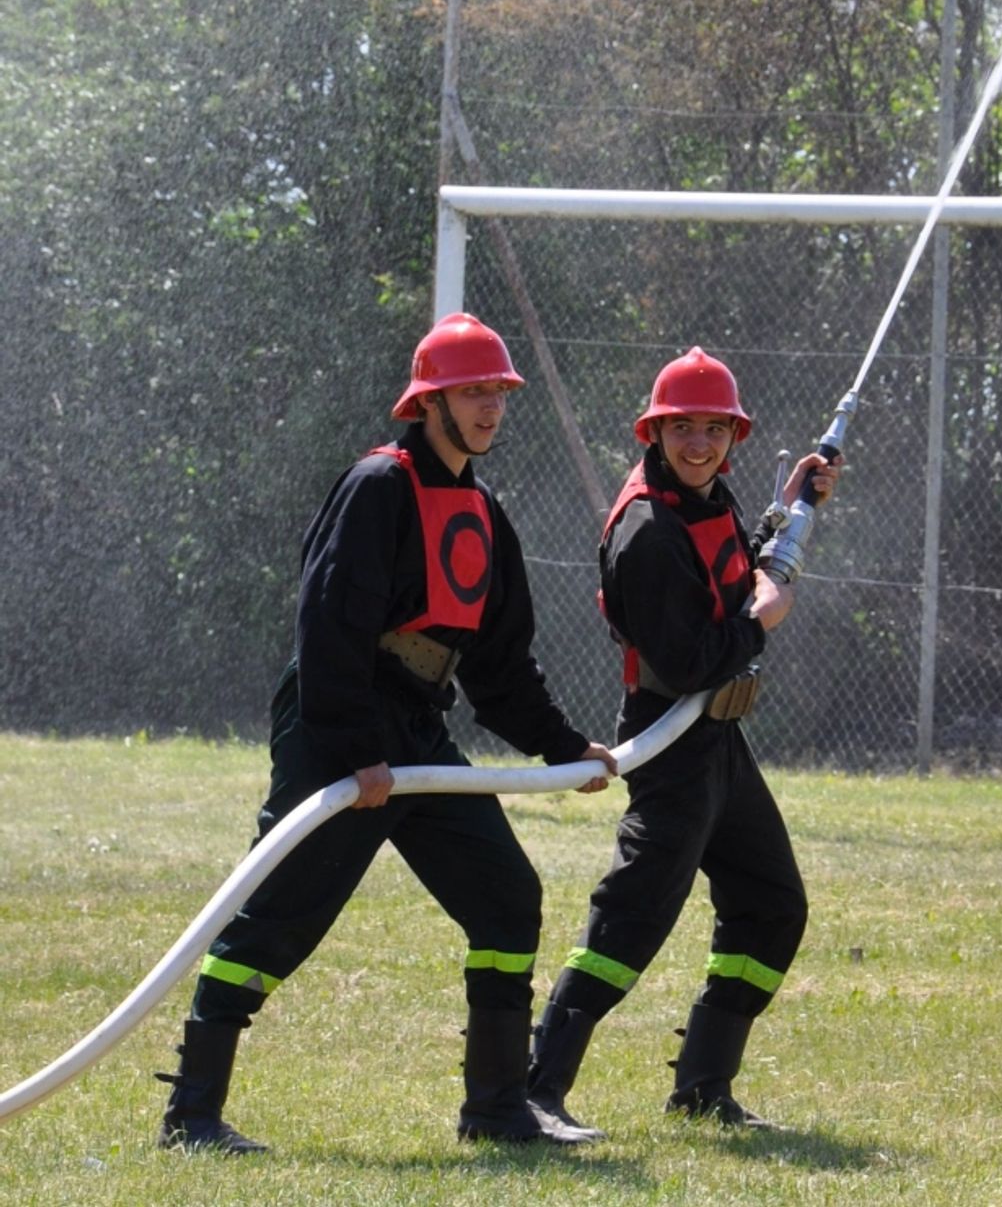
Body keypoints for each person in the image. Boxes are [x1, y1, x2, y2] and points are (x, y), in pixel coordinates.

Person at [157, 313, 617, 1154]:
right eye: (472, 392)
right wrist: (353, 752)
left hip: (415, 736)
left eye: (498, 394)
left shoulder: (484, 510)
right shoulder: (379, 485)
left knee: (507, 899)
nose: (489, 409)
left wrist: (564, 748)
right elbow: (328, 625)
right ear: (429, 401)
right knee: (278, 918)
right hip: (339, 727)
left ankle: (497, 1108)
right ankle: (190, 1114)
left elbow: (501, 667)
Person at [527, 346, 840, 1139]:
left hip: (718, 740)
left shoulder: (703, 496)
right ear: (655, 431)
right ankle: (535, 1087)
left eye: (714, 428)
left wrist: (795, 508)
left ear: (733, 434)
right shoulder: (647, 527)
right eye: (683, 428)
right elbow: (690, 657)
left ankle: (704, 1086)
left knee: (771, 907)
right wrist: (763, 616)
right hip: (670, 743)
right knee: (631, 920)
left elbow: (733, 573)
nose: (699, 442)